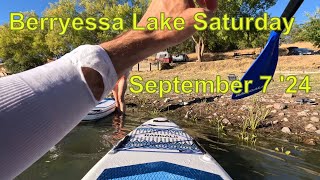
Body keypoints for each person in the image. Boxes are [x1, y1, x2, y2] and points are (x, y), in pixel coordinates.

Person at [0, 0, 217, 179]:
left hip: (112, 76)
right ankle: (119, 121)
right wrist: (148, 35)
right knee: (117, 99)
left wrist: (147, 36)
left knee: (119, 100)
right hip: (110, 76)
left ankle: (119, 119)